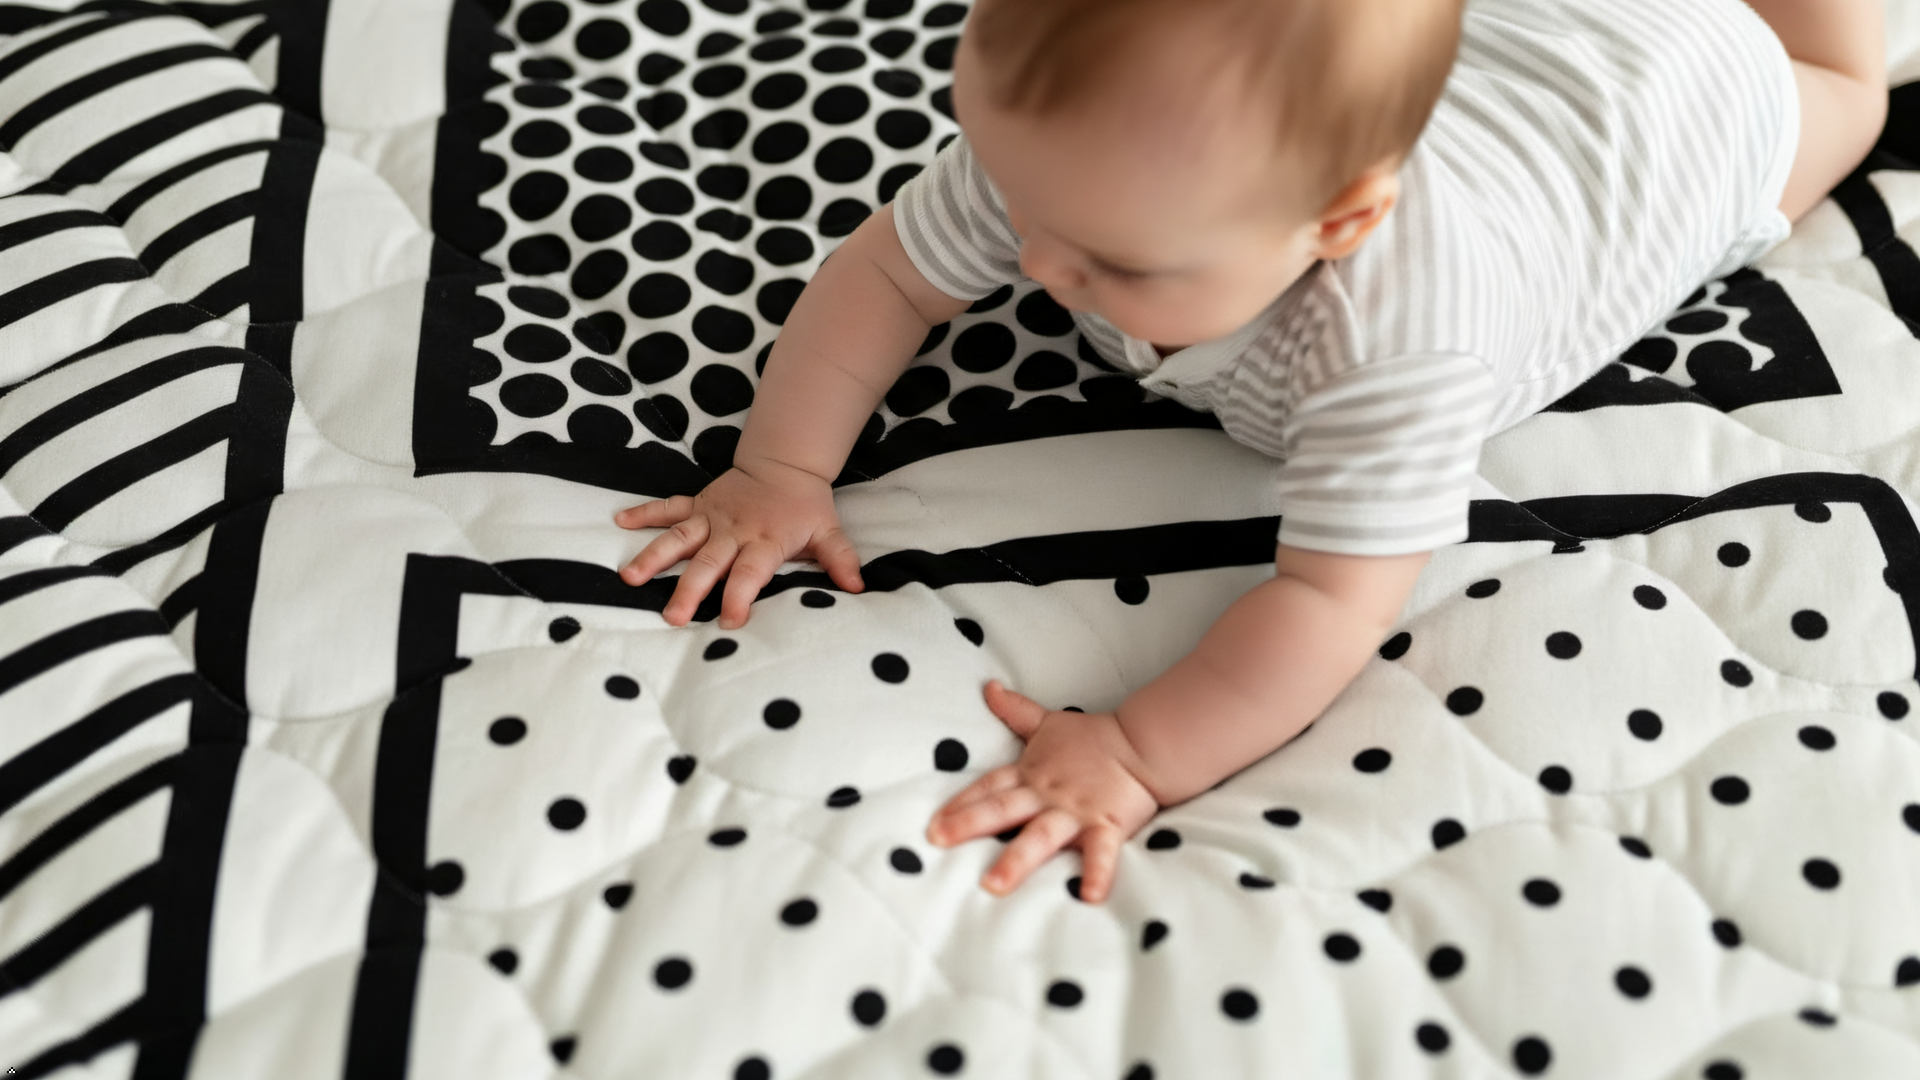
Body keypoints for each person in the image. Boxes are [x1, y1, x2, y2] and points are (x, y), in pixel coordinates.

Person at [613, 0, 1887, 904]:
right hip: (1527, 36)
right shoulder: (1082, 162)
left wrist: (1136, 751)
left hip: (1681, 111)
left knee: (1840, 78)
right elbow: (887, 274)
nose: (1041, 268)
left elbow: (1331, 601)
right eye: (1017, 195)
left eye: (1116, 265)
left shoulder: (1396, 349)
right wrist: (780, 471)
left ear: (1341, 220)